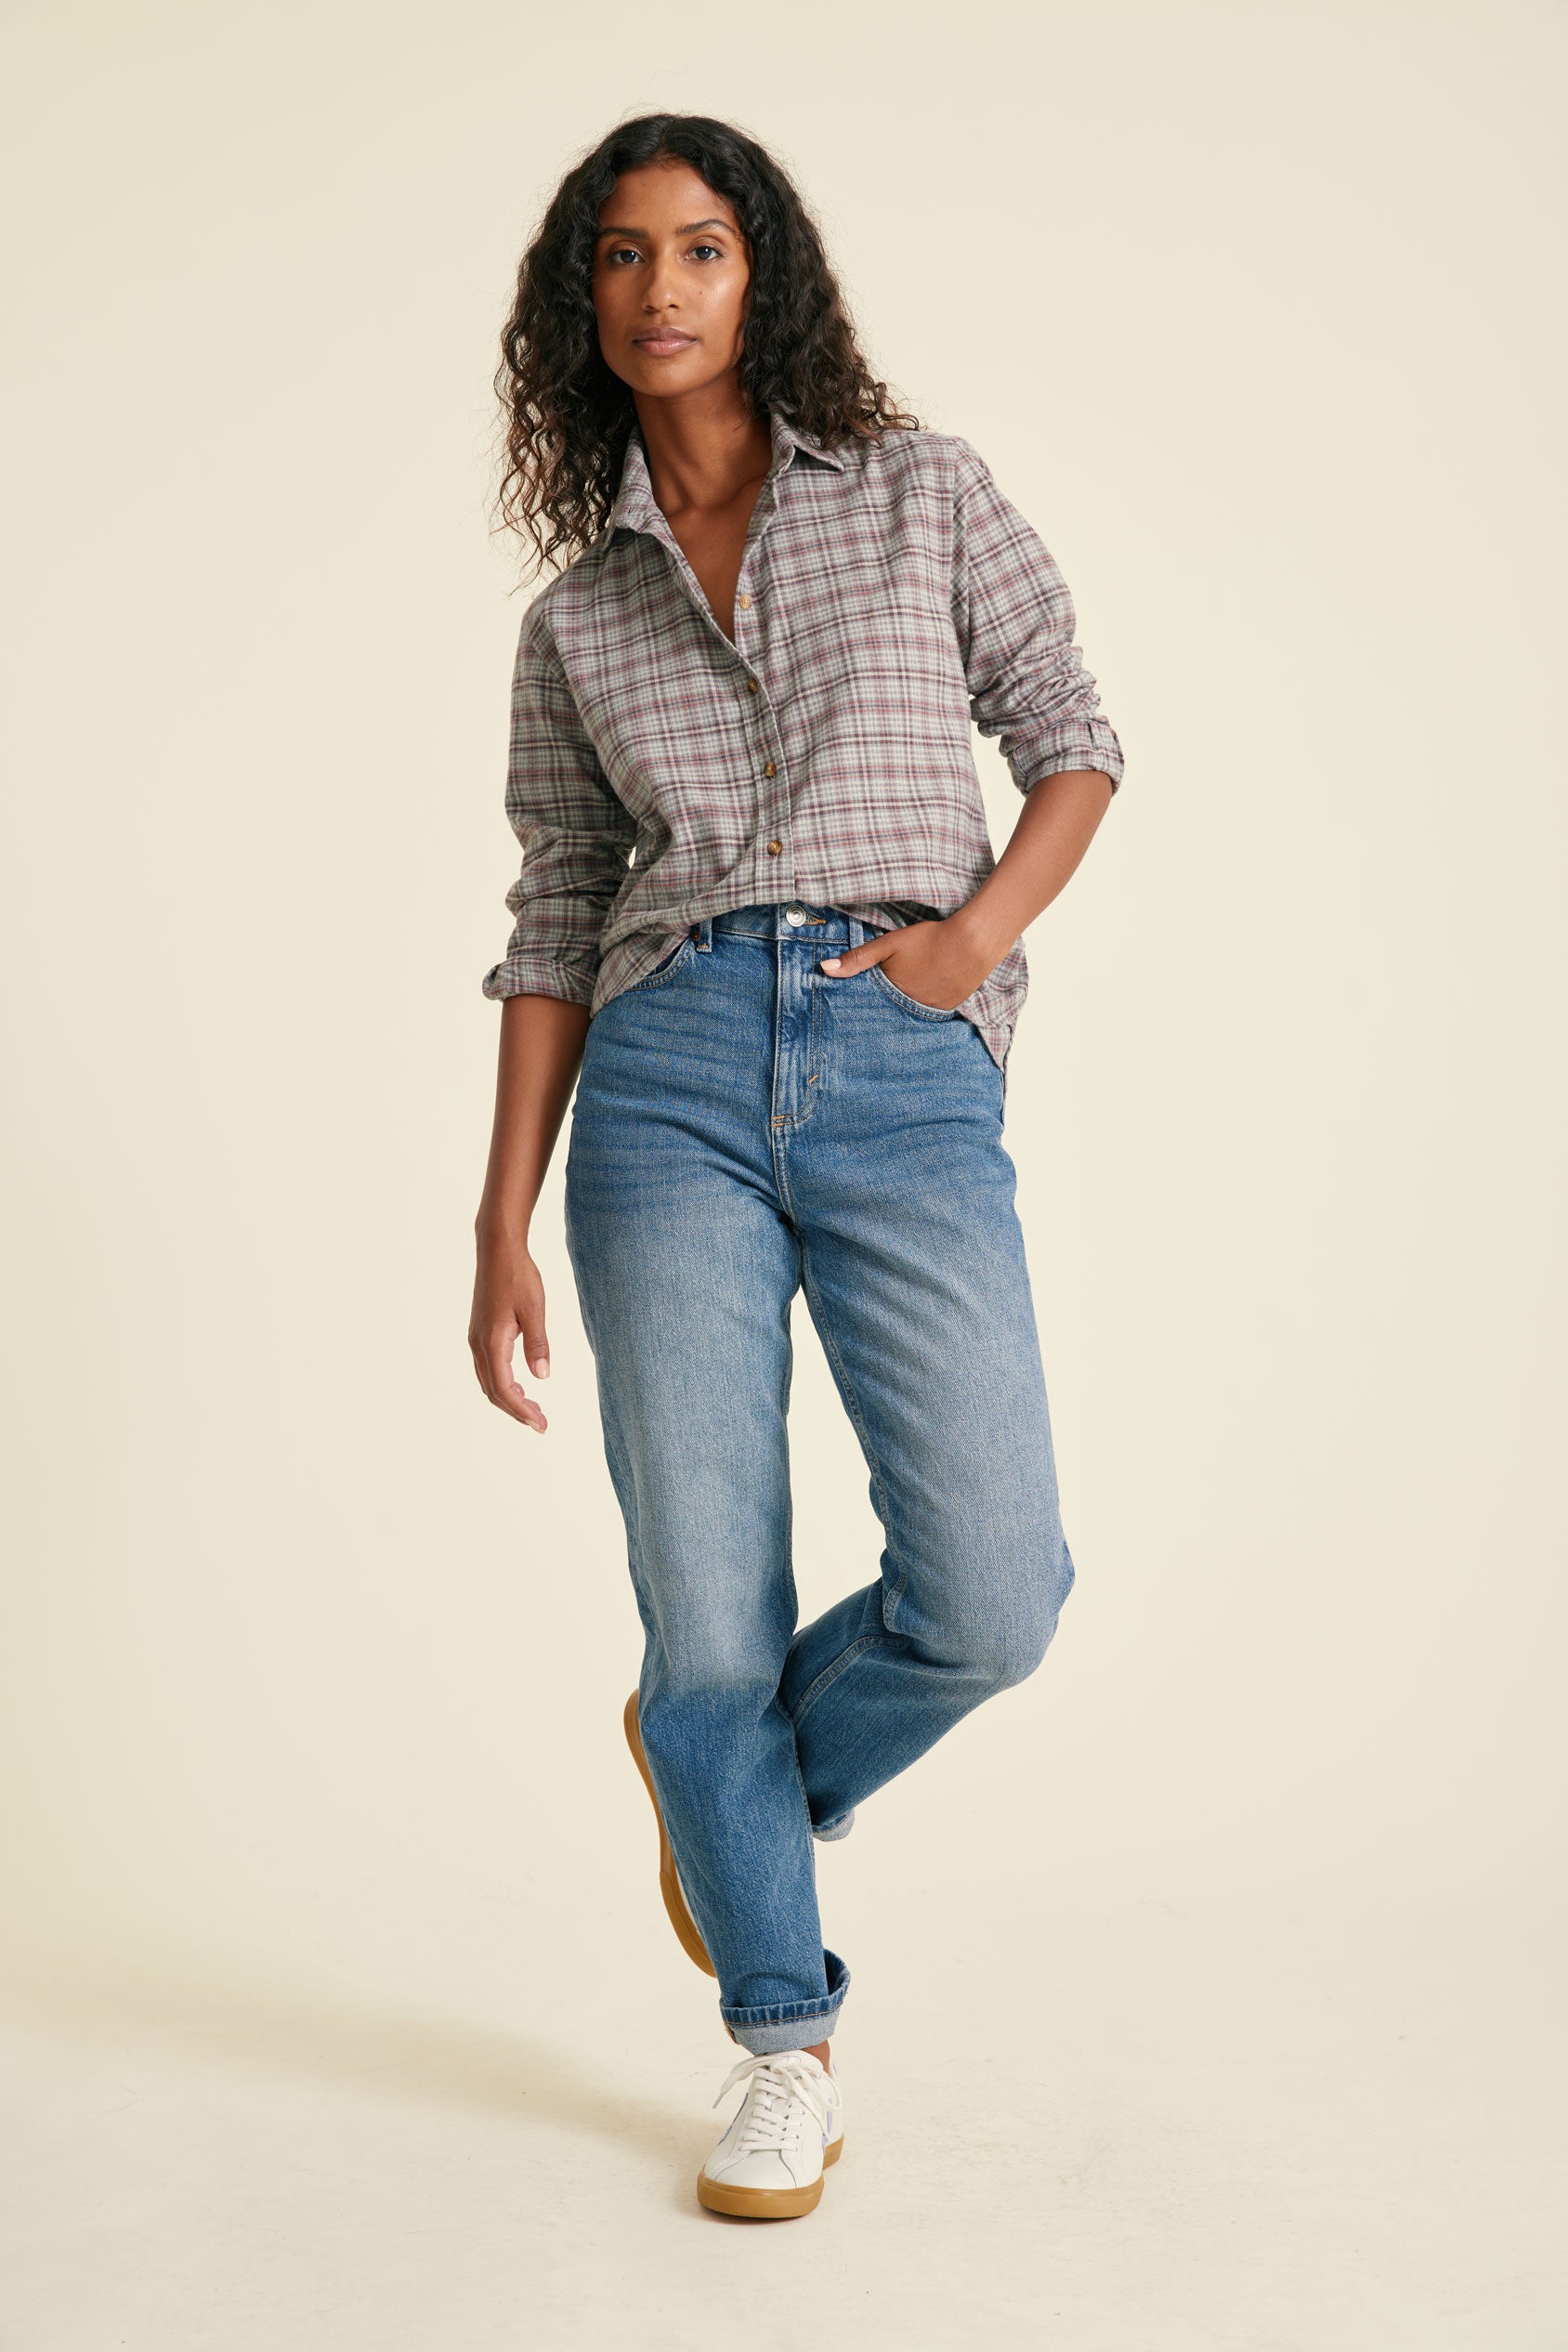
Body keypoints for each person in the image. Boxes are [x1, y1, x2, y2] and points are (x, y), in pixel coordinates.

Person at [469, 111, 1124, 2221]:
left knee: (995, 1589)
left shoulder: (918, 488)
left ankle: (713, 1775)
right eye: (622, 257)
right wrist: (497, 1213)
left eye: (701, 247)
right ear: (583, 302)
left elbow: (1073, 731)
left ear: (765, 277)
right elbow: (561, 912)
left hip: (899, 1054)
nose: (661, 288)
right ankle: (782, 2030)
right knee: (708, 1602)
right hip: (657, 1084)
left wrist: (962, 948)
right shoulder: (577, 617)